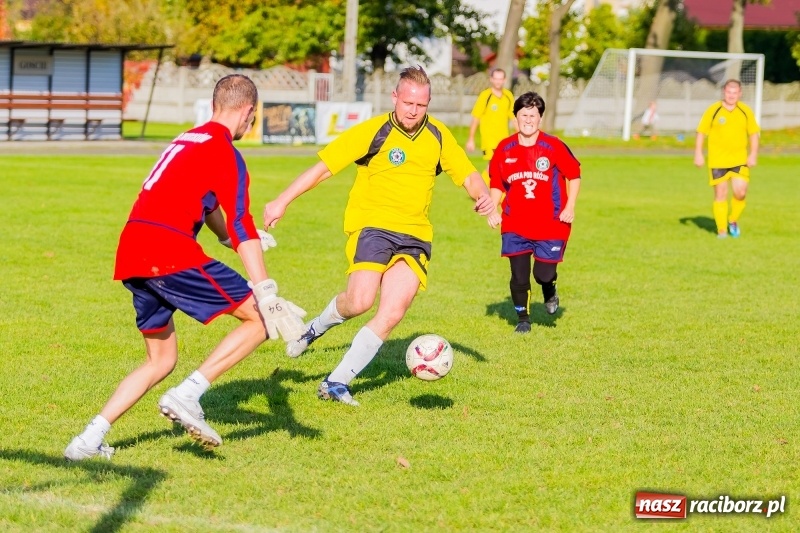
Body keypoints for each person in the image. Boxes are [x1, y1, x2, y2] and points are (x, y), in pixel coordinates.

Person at [64, 74, 306, 461]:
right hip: (168, 250)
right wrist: (266, 290)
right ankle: (188, 393)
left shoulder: (185, 139)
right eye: (252, 118)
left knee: (161, 359)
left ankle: (86, 441)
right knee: (262, 319)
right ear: (249, 112)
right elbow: (240, 220)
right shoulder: (226, 152)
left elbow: (208, 206)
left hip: (132, 250)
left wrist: (226, 239)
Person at [263, 66, 496, 406]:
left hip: (415, 235)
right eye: (408, 103)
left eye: (421, 105)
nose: (413, 111)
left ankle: (336, 382)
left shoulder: (439, 135)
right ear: (395, 98)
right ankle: (315, 327)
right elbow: (324, 167)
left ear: (428, 103)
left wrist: (482, 196)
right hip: (372, 226)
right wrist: (282, 200)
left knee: (392, 313)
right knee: (359, 302)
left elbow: (468, 175)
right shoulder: (374, 131)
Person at [487, 92, 581, 334]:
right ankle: (523, 320)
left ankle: (549, 288)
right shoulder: (504, 149)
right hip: (515, 224)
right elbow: (497, 184)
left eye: (533, 115)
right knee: (519, 275)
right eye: (523, 115)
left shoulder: (553, 146)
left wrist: (570, 206)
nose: (528, 120)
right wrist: (492, 208)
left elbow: (574, 174)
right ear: (515, 117)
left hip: (551, 224)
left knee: (542, 273)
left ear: (540, 118)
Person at [694, 79, 760, 239]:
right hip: (718, 161)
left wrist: (753, 154)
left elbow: (753, 134)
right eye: (729, 92)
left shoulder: (745, 111)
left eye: (735, 92)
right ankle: (722, 230)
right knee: (721, 194)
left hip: (739, 160)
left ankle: (732, 220)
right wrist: (698, 153)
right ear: (724, 92)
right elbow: (701, 132)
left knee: (741, 192)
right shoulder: (713, 110)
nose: (731, 95)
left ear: (740, 93)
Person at [465, 68, 517, 184]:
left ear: (504, 80)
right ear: (491, 80)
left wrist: (522, 135)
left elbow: (514, 118)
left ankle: (484, 188)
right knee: (494, 164)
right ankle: (482, 188)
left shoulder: (508, 96)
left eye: (500, 79)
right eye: (496, 79)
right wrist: (471, 139)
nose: (498, 82)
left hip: (503, 138)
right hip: (489, 139)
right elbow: (476, 118)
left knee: (500, 165)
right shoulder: (485, 96)